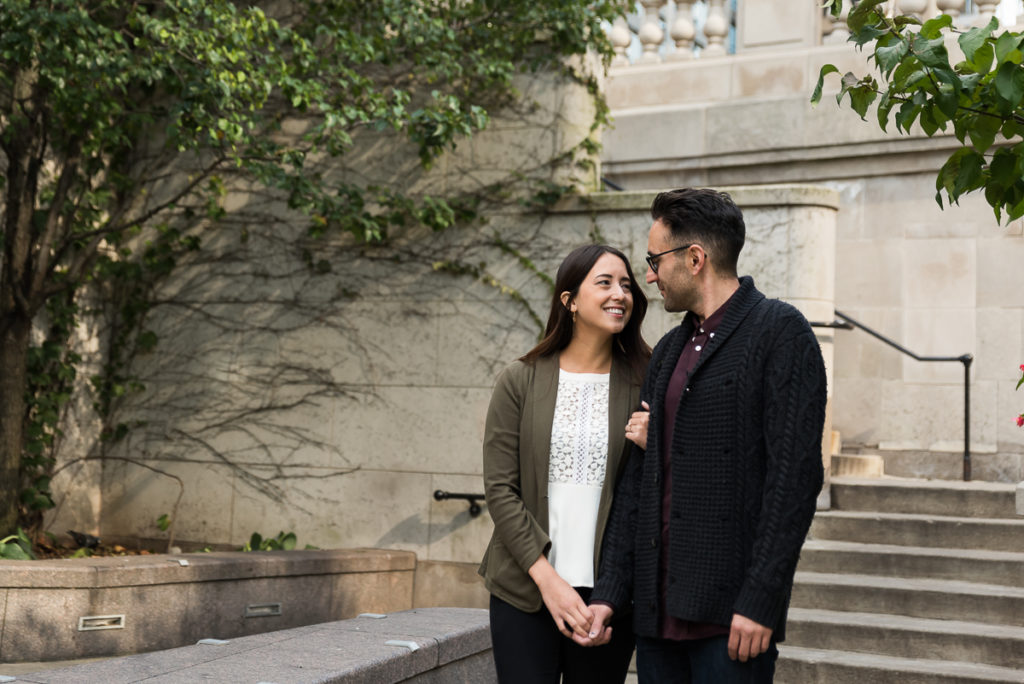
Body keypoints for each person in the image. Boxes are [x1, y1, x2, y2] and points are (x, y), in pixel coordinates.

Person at [583, 188, 827, 684]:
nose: (648, 276)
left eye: (654, 261)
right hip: (657, 617)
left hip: (730, 619)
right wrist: (610, 590)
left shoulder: (781, 332)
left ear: (695, 259)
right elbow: (638, 484)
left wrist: (762, 598)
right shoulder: (669, 350)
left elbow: (793, 480)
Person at [479, 244, 652, 683]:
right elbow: (501, 489)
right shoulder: (520, 379)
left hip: (608, 597)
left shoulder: (647, 380)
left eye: (627, 285)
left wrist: (661, 444)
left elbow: (655, 493)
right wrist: (548, 581)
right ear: (569, 300)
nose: (621, 294)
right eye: (605, 282)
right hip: (525, 588)